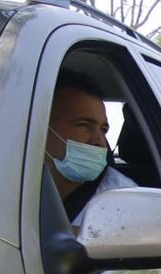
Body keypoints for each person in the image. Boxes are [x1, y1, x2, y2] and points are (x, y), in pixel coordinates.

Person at [44, 70, 135, 232]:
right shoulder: (5, 183)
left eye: (103, 129)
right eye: (84, 125)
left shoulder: (121, 198)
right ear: (43, 128)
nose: (100, 142)